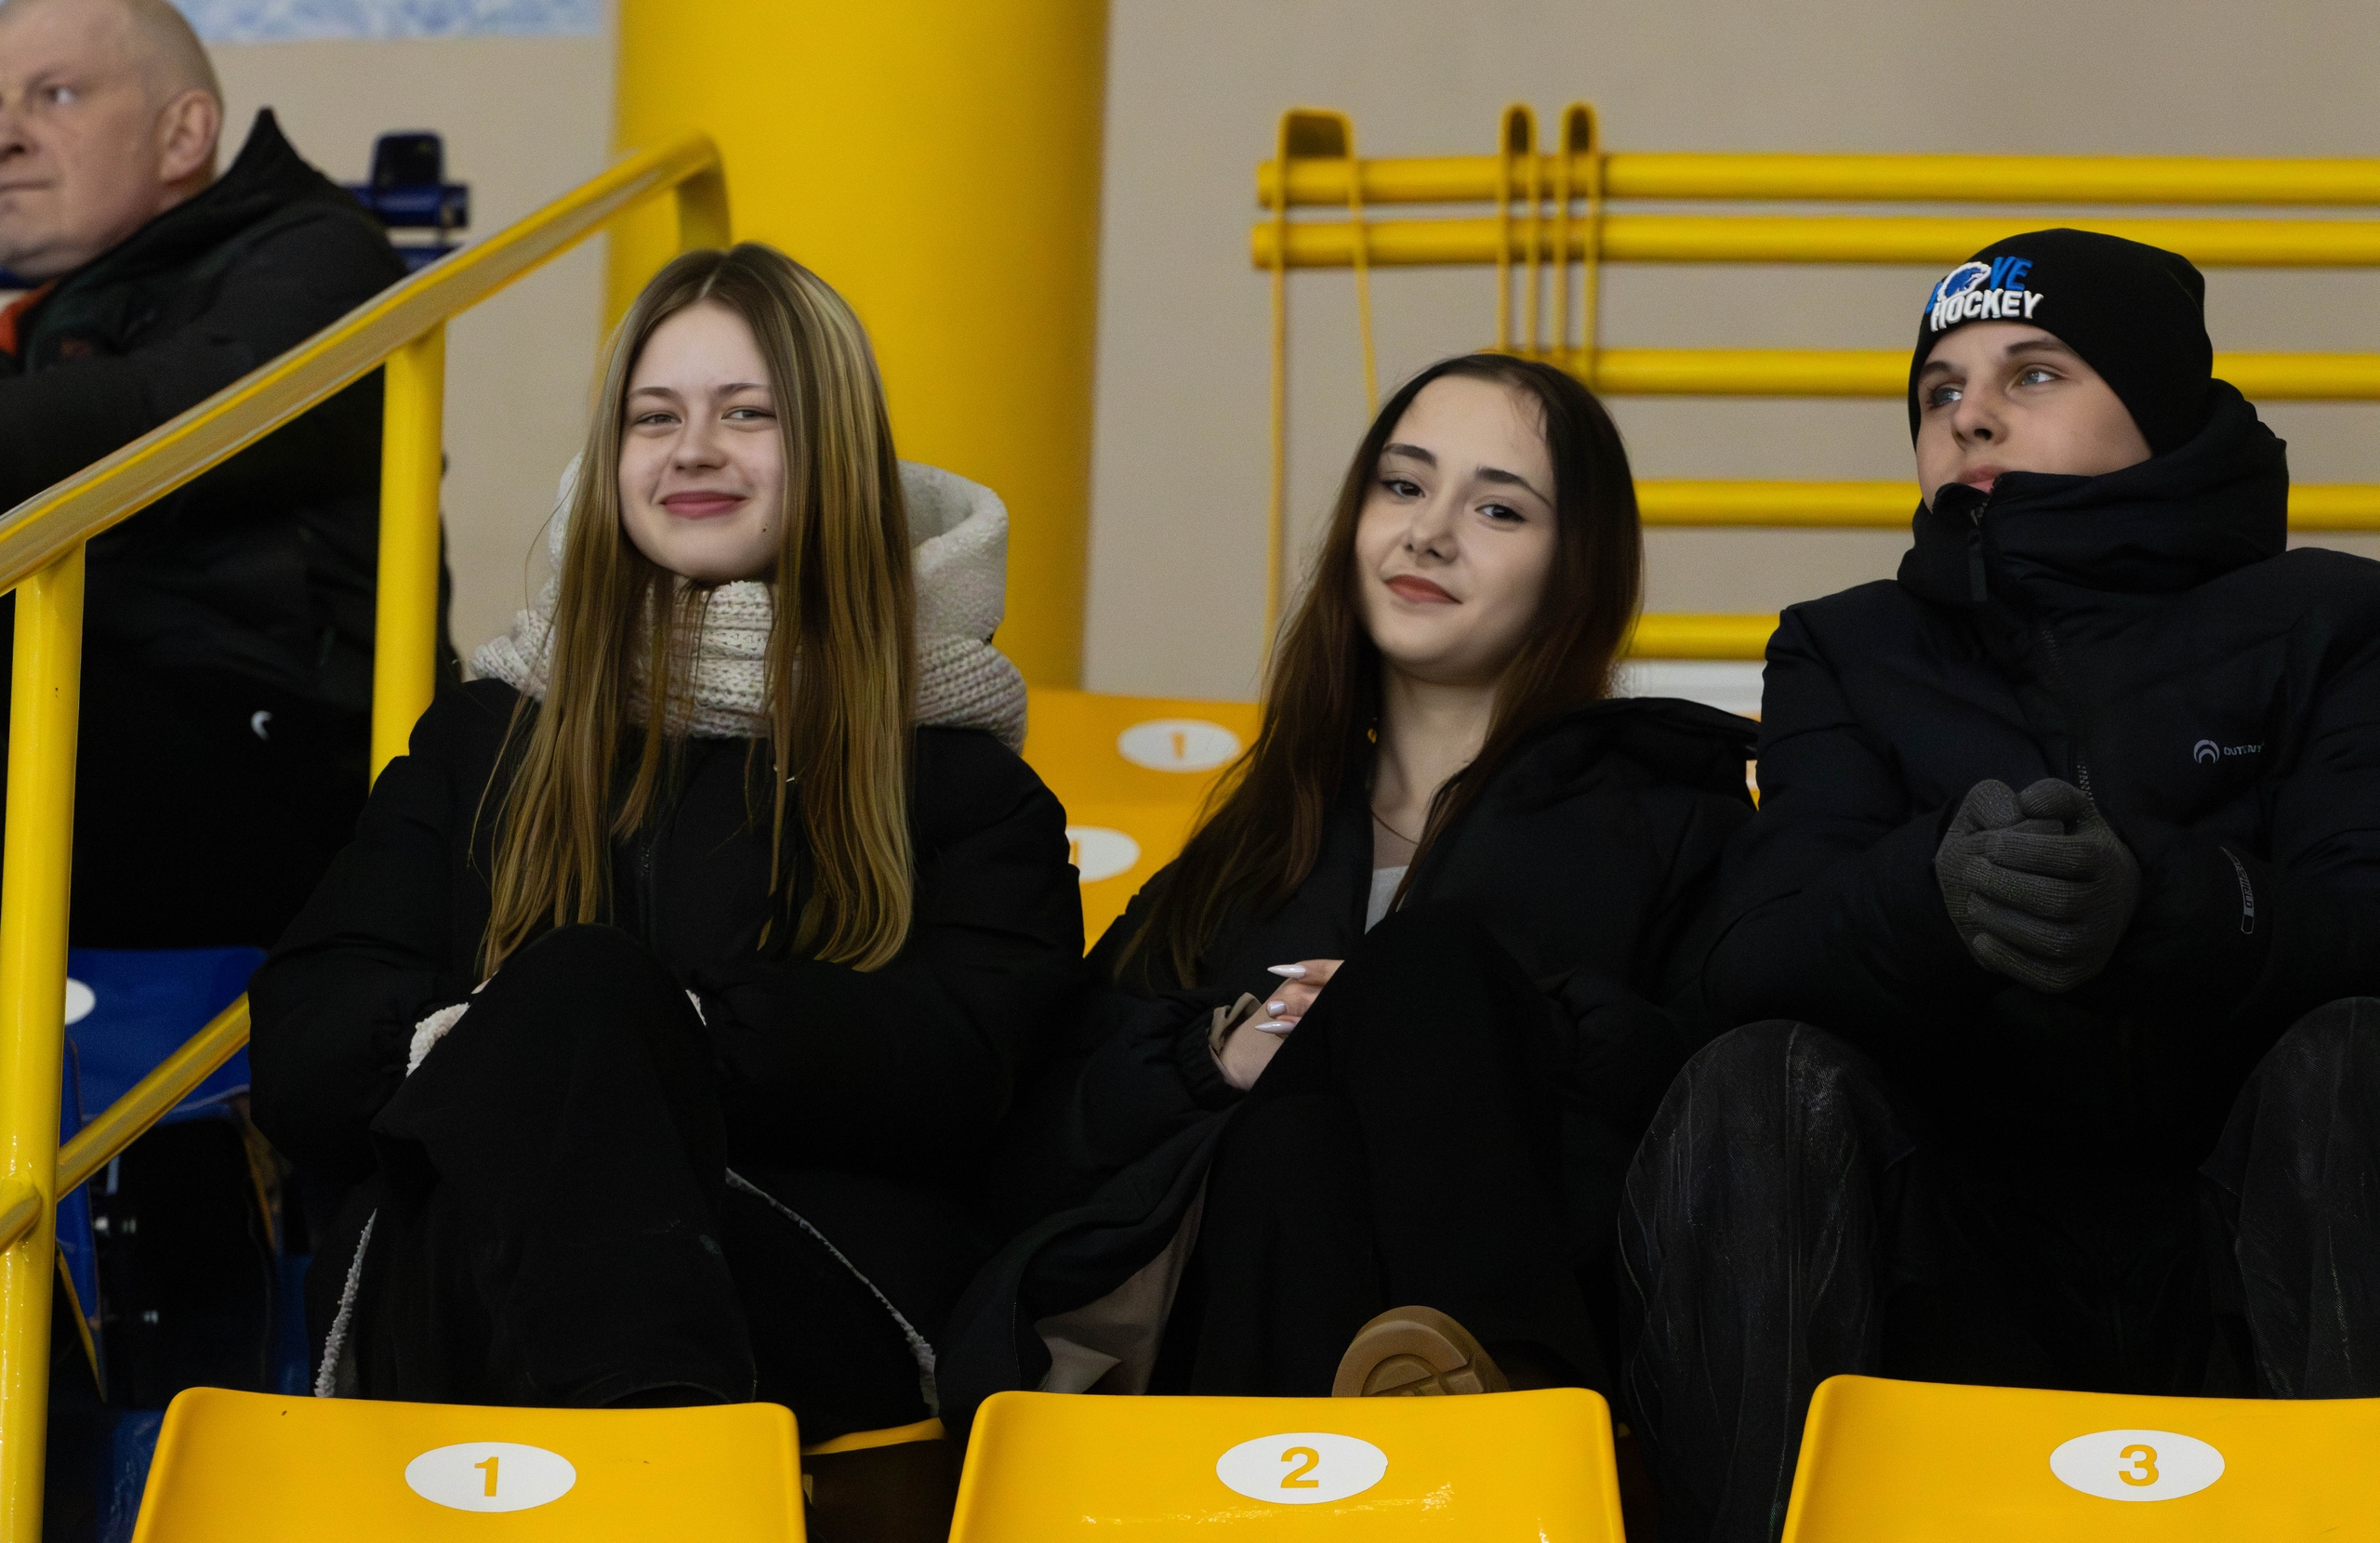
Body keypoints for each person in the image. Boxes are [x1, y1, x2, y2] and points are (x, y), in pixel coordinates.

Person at [246, 244, 1082, 1437]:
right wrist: (523, 1048)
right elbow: (306, 1047)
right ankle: (655, 1477)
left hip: (792, 1284)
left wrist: (665, 1040)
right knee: (571, 1008)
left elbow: (972, 1072)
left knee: (586, 994)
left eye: (748, 413)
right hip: (462, 1275)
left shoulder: (954, 778)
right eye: (654, 417)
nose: (693, 450)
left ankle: (642, 1462)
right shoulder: (487, 736)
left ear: (836, 455)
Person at [1623, 230, 2380, 1543]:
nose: (1968, 412)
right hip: (1954, 1272)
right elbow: (1742, 966)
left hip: (2242, 1258)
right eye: (1939, 389)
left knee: (2361, 1055)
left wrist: (2164, 903)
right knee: (1757, 1080)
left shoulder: (2332, 620)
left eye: (2033, 372)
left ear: (2157, 406)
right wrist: (1933, 897)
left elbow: (2363, 921)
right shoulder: (1844, 646)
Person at [939, 353, 1755, 1431]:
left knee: (1422, 966)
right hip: (1236, 1355)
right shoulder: (1247, 848)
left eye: (1498, 509)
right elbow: (1032, 1155)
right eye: (1403, 485)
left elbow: (1717, 1149)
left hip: (1578, 1337)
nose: (1428, 534)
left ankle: (1495, 1393)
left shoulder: (1673, 828)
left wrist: (1484, 1020)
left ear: (1577, 568)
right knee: (1288, 1142)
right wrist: (1216, 1058)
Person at [0, 0, 441, 950]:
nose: (6, 138)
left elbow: (169, 412)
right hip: (110, 740)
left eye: (55, 95)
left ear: (185, 134)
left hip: (285, 771)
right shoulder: (46, 320)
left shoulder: (323, 256)